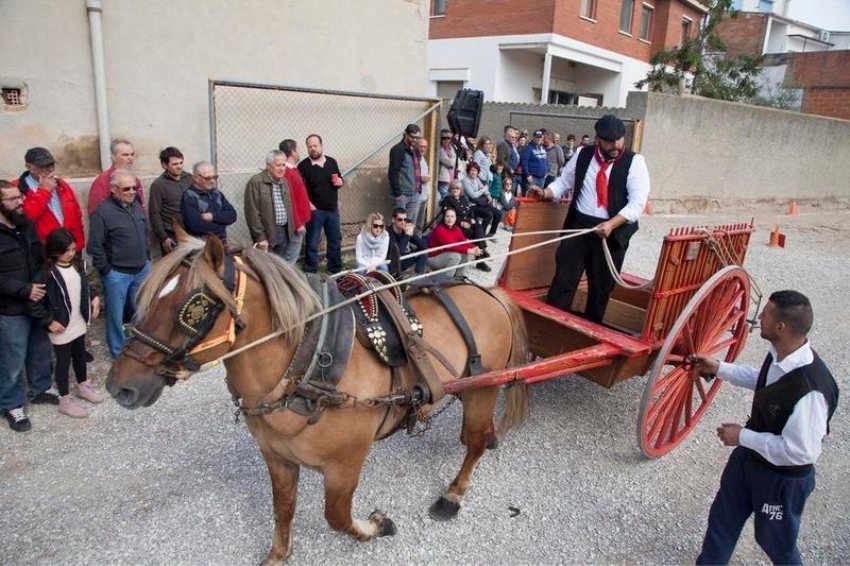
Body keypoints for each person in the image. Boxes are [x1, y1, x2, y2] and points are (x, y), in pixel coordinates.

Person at [694, 290, 839, 566]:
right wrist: (719, 367)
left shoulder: (811, 390)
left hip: (781, 479)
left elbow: (800, 453)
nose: (759, 316)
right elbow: (762, 379)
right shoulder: (781, 353)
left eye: (766, 313)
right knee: (722, 521)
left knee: (777, 544)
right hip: (749, 460)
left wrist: (743, 436)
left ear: (781, 327)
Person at [530, 114, 649, 323]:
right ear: (598, 139)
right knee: (563, 282)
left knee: (601, 289)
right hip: (579, 227)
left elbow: (637, 204)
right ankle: (550, 328)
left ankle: (589, 334)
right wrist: (546, 193)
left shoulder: (635, 162)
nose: (616, 145)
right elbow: (564, 181)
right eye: (609, 141)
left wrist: (611, 224)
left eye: (619, 139)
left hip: (611, 233)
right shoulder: (582, 154)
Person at [0, 180, 60, 432]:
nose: (20, 202)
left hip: (37, 302)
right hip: (11, 308)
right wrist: (25, 290)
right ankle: (11, 404)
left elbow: (39, 259)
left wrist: (38, 285)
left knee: (39, 350)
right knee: (12, 360)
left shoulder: (27, 225)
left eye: (19, 197)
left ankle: (41, 388)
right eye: (13, 199)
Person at [87, 169, 151, 359]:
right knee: (115, 316)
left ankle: (140, 346)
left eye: (135, 188)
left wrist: (146, 258)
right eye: (127, 188)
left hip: (141, 269)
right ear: (114, 189)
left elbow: (144, 231)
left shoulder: (136, 205)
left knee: (141, 311)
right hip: (117, 274)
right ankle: (118, 353)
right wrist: (107, 270)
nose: (132, 191)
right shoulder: (102, 213)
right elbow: (94, 246)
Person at [44, 228, 103, 418]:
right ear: (54, 251)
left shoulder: (78, 264)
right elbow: (38, 302)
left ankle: (83, 385)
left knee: (79, 354)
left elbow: (85, 287)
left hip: (78, 319)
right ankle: (65, 399)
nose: (71, 253)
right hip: (60, 324)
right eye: (66, 250)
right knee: (62, 361)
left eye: (72, 249)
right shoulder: (48, 272)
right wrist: (49, 321)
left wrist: (94, 298)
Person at [12, 147, 85, 252]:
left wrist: (78, 245)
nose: (50, 169)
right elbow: (25, 218)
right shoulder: (16, 188)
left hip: (70, 249)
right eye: (44, 166)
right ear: (30, 168)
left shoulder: (61, 184)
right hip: (43, 252)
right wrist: (44, 191)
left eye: (51, 165)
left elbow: (77, 216)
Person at [244, 149, 310, 263]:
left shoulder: (284, 181)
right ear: (268, 166)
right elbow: (252, 213)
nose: (282, 168)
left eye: (284, 165)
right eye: (278, 165)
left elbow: (289, 207)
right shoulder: (256, 182)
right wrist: (260, 237)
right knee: (268, 267)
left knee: (281, 265)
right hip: (268, 233)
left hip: (284, 232)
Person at [298, 134, 344, 274]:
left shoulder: (331, 162)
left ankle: (335, 270)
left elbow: (339, 178)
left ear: (321, 145)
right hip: (315, 210)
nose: (312, 149)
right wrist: (309, 205)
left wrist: (340, 182)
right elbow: (300, 190)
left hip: (332, 209)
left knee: (335, 241)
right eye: (309, 146)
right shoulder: (303, 166)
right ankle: (311, 272)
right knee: (312, 243)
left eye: (315, 145)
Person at [148, 146, 192, 255]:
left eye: (181, 163)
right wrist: (163, 238)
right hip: (172, 235)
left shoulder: (190, 178)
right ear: (164, 165)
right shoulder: (158, 185)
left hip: (192, 232)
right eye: (175, 164)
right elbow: (154, 213)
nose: (179, 167)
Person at [441, 179, 491, 272]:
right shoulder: (448, 200)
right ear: (450, 189)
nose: (455, 190)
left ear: (460, 190)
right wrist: (461, 223)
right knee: (476, 234)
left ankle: (482, 250)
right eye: (453, 188)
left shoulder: (463, 198)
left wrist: (472, 218)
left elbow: (470, 210)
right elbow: (447, 217)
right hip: (456, 227)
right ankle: (481, 259)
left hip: (468, 222)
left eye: (457, 188)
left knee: (479, 227)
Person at [180, 161, 237, 243]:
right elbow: (195, 225)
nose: (212, 181)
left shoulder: (216, 193)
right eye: (208, 178)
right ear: (196, 178)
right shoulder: (189, 196)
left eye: (214, 177)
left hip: (221, 242)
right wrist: (222, 224)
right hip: (201, 246)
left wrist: (213, 216)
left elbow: (233, 215)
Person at [87, 139, 145, 217]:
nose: (130, 158)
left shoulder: (135, 180)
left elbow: (141, 208)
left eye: (132, 154)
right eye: (125, 155)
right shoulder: (102, 181)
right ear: (114, 157)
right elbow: (95, 212)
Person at [427, 206, 483, 278]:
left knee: (464, 253)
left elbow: (463, 241)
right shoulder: (439, 229)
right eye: (447, 216)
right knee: (456, 256)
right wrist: (469, 250)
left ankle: (458, 276)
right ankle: (446, 279)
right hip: (433, 258)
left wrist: (474, 247)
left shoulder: (456, 228)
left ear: (455, 218)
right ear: (444, 218)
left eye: (452, 216)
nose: (450, 219)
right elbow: (451, 246)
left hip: (445, 254)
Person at [387, 124, 423, 226]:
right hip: (402, 194)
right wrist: (398, 194)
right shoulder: (397, 150)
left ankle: (406, 242)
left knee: (409, 224)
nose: (415, 140)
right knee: (398, 224)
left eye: (417, 138)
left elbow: (416, 170)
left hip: (415, 193)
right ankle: (396, 242)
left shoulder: (415, 149)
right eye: (412, 136)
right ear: (405, 134)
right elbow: (393, 172)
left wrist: (419, 189)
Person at [461, 162, 501, 238]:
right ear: (468, 170)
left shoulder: (476, 179)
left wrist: (488, 195)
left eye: (475, 171)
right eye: (472, 170)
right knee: (489, 214)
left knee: (498, 213)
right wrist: (482, 190)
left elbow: (484, 188)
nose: (473, 172)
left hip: (480, 203)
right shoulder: (465, 180)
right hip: (471, 206)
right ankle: (480, 235)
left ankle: (491, 234)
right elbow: (473, 195)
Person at [387, 208, 427, 276]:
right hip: (391, 264)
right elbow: (399, 251)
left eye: (405, 220)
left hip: (402, 260)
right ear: (393, 220)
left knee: (422, 252)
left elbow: (423, 246)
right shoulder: (388, 233)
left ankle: (419, 277)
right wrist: (407, 235)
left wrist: (412, 234)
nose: (403, 222)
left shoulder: (404, 231)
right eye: (400, 220)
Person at [520, 129, 548, 194]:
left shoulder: (542, 148)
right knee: (530, 197)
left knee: (538, 199)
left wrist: (546, 171)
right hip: (533, 178)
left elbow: (546, 160)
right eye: (537, 137)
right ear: (533, 137)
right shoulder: (528, 148)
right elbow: (524, 162)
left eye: (540, 137)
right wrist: (527, 175)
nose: (538, 139)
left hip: (542, 178)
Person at [416, 138, 432, 233]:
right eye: (421, 146)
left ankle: (417, 244)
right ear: (416, 147)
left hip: (424, 196)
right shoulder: (414, 159)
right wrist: (421, 178)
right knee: (413, 222)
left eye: (425, 147)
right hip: (416, 197)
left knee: (420, 223)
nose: (422, 149)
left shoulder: (423, 160)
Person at [437, 129, 457, 201]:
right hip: (444, 181)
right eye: (443, 138)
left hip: (451, 180)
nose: (446, 140)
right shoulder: (440, 149)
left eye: (448, 138)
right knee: (445, 200)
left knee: (450, 200)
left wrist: (453, 160)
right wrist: (453, 160)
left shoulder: (451, 148)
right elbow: (451, 163)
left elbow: (456, 161)